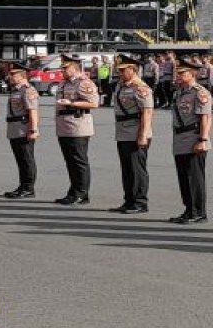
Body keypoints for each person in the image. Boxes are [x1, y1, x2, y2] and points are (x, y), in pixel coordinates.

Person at [169, 58, 212, 224]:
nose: (178, 76)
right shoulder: (179, 92)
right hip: (180, 137)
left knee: (194, 177)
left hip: (194, 136)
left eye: (182, 73)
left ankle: (199, 212)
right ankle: (189, 209)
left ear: (192, 74)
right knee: (183, 176)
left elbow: (205, 118)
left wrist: (203, 139)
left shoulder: (200, 92)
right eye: (177, 73)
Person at [108, 54, 153, 213]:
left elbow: (147, 113)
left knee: (137, 169)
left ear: (132, 70)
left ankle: (140, 202)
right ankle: (129, 200)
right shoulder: (121, 86)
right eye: (119, 70)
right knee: (126, 169)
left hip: (136, 131)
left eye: (122, 70)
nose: (119, 73)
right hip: (122, 131)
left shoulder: (141, 88)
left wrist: (143, 135)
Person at [55, 54, 100, 205]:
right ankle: (74, 190)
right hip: (64, 125)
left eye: (65, 68)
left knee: (79, 160)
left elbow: (94, 103)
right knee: (70, 161)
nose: (63, 71)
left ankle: (81, 192)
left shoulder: (83, 82)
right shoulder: (64, 83)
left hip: (78, 125)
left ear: (74, 68)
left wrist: (72, 103)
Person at [3, 61, 40, 199]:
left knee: (26, 158)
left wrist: (33, 129)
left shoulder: (27, 90)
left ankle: (29, 187)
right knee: (20, 159)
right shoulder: (16, 90)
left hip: (24, 127)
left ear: (22, 75)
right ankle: (22, 185)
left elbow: (33, 111)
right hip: (14, 128)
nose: (10, 77)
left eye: (13, 74)